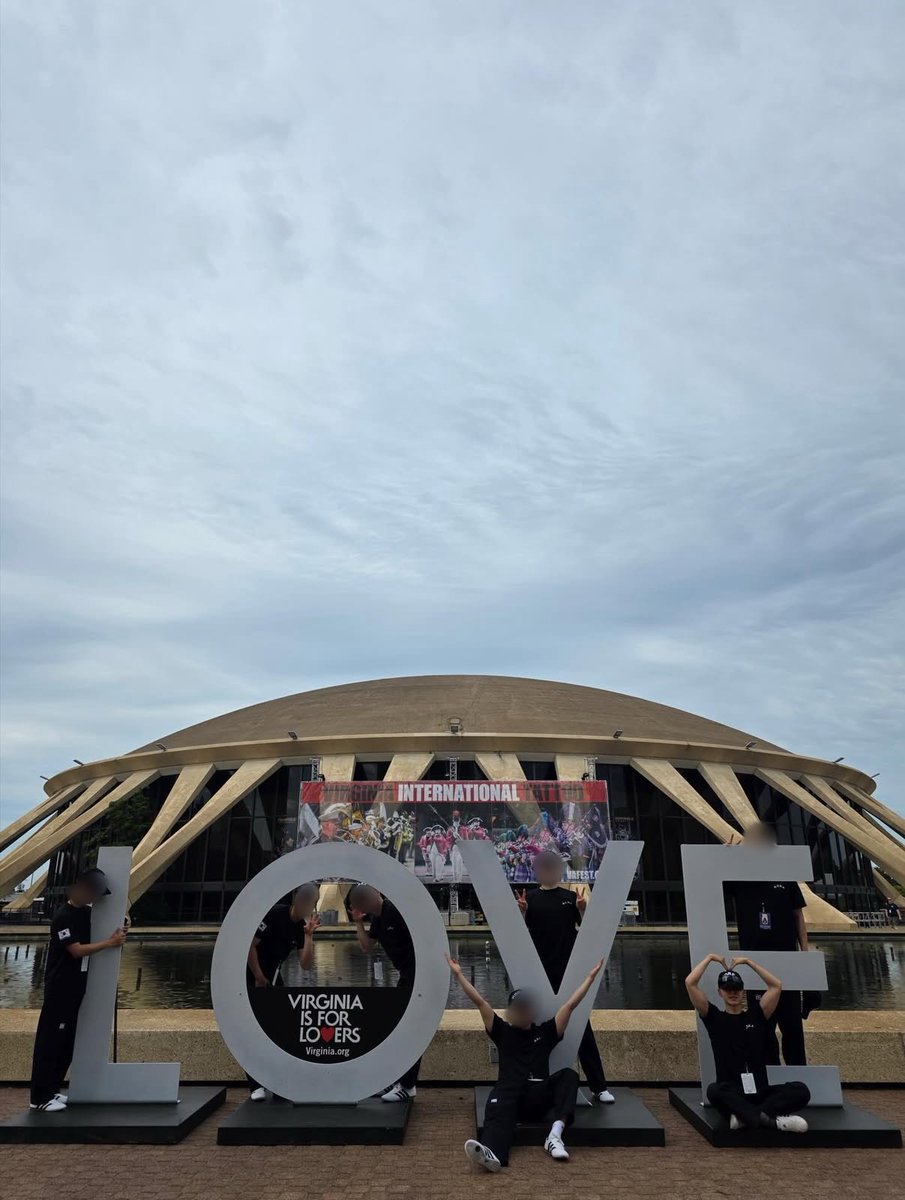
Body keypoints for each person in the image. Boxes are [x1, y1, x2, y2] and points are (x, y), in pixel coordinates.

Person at [448, 953, 605, 1170]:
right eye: (517, 1008)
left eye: (525, 1008)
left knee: (569, 1075)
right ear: (511, 1012)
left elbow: (569, 1006)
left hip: (538, 1096)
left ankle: (555, 1136)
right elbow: (480, 1002)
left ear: (531, 1011)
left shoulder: (546, 1032)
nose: (522, 1012)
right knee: (497, 1102)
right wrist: (458, 975)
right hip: (510, 1095)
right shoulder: (502, 1031)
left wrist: (589, 979)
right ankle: (492, 1154)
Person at [516, 849, 614, 1103]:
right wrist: (522, 913)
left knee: (582, 1028)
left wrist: (582, 910)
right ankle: (534, 1080)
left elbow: (589, 930)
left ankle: (598, 1086)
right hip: (540, 974)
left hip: (569, 972)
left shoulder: (572, 897)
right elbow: (520, 935)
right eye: (544, 866)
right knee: (535, 1028)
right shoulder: (531, 899)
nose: (548, 870)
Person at [29, 867, 127, 1112]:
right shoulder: (64, 916)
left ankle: (53, 1090)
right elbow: (76, 950)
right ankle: (39, 1097)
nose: (95, 897)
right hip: (60, 986)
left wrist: (121, 926)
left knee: (66, 1041)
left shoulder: (85, 913)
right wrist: (110, 943)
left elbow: (102, 928)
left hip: (76, 986)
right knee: (50, 1042)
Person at [686, 952, 810, 1133]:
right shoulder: (714, 1018)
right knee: (714, 1091)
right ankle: (771, 1121)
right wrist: (710, 958)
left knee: (801, 1090)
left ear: (743, 991)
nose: (733, 993)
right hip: (733, 1093)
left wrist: (749, 962)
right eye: (728, 989)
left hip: (760, 1092)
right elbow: (690, 983)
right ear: (720, 992)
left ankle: (746, 1117)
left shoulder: (757, 1015)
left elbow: (776, 986)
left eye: (736, 989)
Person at [724, 821, 809, 1066]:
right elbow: (715, 886)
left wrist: (805, 951)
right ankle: (767, 1076)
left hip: (787, 961)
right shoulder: (739, 880)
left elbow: (798, 915)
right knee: (762, 1025)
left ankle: (798, 1077)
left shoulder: (784, 877)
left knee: (792, 1024)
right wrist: (725, 857)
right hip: (755, 964)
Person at [246, 883, 320, 1101]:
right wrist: (259, 977)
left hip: (273, 978)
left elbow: (306, 965)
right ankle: (256, 1085)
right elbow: (250, 945)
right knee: (254, 1031)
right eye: (305, 899)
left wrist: (308, 936)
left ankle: (278, 1082)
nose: (308, 904)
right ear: (297, 899)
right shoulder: (275, 913)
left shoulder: (300, 927)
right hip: (252, 975)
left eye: (312, 901)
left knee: (283, 1027)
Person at [349, 882, 419, 1102]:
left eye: (366, 898)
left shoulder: (396, 910)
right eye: (361, 902)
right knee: (397, 1029)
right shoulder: (378, 918)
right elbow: (366, 947)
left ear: (377, 893)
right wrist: (359, 923)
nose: (365, 903)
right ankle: (398, 1080)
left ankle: (407, 1085)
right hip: (406, 976)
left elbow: (421, 938)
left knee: (410, 1031)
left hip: (417, 975)